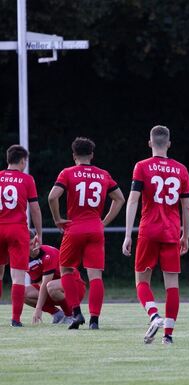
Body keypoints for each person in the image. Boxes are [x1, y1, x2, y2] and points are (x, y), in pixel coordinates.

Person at [123, 125, 189, 344]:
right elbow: (187, 206)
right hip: (171, 232)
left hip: (148, 231)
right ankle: (168, 336)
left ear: (150, 143)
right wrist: (186, 235)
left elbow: (133, 200)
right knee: (172, 285)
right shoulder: (181, 169)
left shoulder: (142, 166)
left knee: (142, 281)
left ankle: (154, 316)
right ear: (169, 144)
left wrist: (127, 234)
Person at [48, 137, 125, 330]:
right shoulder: (103, 174)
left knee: (65, 269)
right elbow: (120, 199)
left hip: (74, 228)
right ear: (92, 155)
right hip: (95, 229)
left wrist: (57, 218)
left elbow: (52, 196)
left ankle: (76, 313)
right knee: (95, 276)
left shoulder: (67, 173)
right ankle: (95, 321)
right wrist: (104, 222)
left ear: (74, 155)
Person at [0, 145, 43, 326]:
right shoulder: (27, 179)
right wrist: (39, 233)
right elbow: (34, 208)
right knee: (17, 277)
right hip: (17, 229)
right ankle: (15, 320)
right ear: (23, 160)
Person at [25, 230, 86, 325]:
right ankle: (57, 314)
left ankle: (70, 315)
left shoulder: (48, 254)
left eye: (33, 242)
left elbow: (45, 284)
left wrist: (38, 308)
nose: (34, 246)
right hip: (53, 288)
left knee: (51, 286)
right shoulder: (25, 260)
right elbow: (40, 283)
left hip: (75, 286)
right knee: (22, 293)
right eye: (29, 245)